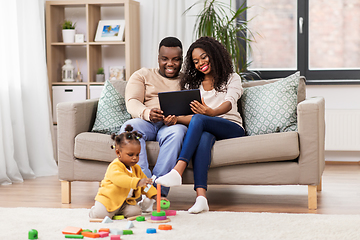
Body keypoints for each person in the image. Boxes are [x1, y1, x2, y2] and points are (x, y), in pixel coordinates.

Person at [156, 36, 245, 213]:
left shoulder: (231, 78)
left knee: (199, 119)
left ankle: (178, 170)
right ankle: (201, 198)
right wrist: (176, 119)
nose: (200, 63)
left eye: (204, 57)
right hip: (207, 127)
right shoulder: (192, 83)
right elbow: (193, 118)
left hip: (231, 127)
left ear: (214, 54)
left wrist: (210, 112)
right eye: (195, 61)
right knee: (203, 136)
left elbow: (229, 102)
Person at [119, 37, 187, 197]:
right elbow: (132, 101)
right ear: (158, 58)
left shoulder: (187, 80)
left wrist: (177, 118)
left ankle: (157, 193)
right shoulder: (142, 75)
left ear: (182, 60)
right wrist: (147, 113)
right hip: (146, 122)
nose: (170, 64)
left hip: (172, 125)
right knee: (129, 129)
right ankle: (142, 187)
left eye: (176, 60)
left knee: (178, 133)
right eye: (165, 59)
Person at [89, 125, 165, 219]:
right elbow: (120, 179)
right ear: (118, 153)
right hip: (109, 200)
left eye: (137, 154)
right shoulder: (115, 166)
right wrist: (137, 182)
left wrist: (155, 195)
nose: (135, 158)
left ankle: (118, 212)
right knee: (100, 215)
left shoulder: (137, 169)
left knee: (136, 212)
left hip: (125, 203)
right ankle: (94, 210)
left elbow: (146, 186)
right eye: (130, 154)